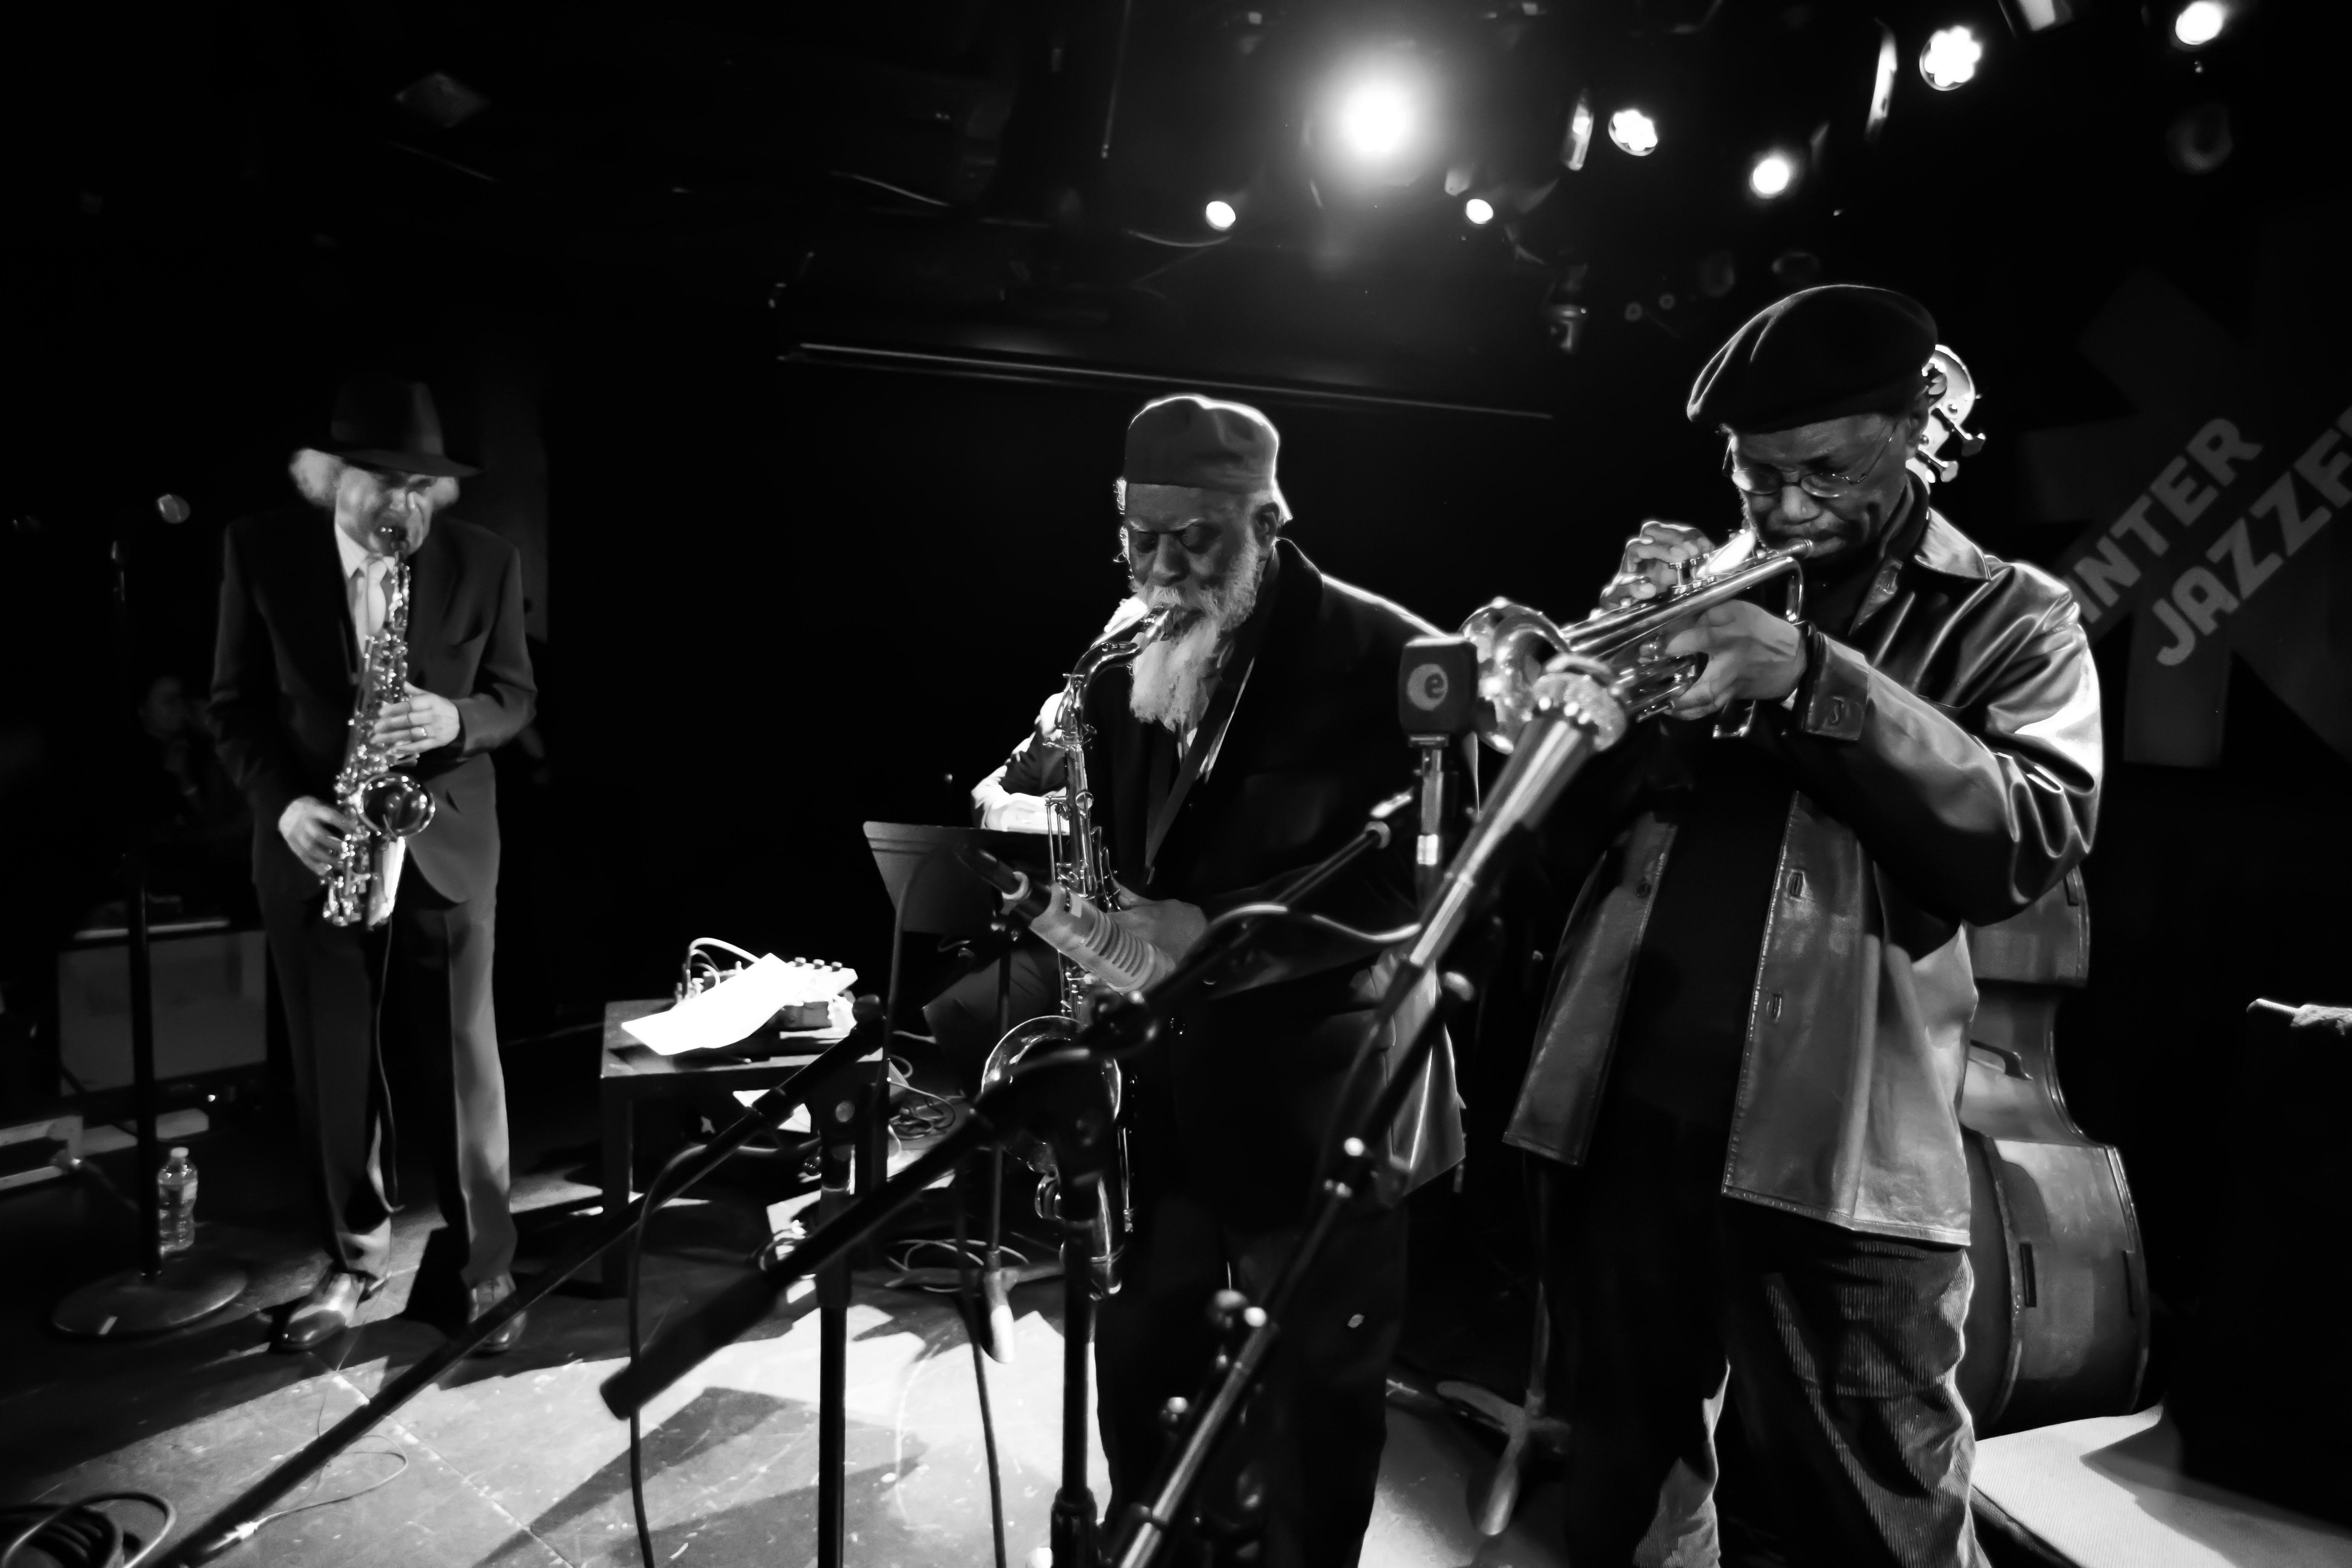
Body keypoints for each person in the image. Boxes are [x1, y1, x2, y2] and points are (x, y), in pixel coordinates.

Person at [1507, 286, 2102, 1567]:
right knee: (1623, 1503)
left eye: (1821, 472)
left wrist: (1816, 680)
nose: (1780, 508)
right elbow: (1555, 852)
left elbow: (2031, 839)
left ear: (1912, 433)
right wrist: (1601, 706)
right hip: (1621, 1117)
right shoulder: (1698, 590)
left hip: (1836, 1146)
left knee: (1878, 1520)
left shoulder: (2011, 616)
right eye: (1754, 474)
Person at [1027, 394, 1457, 1566]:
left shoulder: (1391, 655)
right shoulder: (1123, 655)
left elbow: (1427, 890)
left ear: (1267, 517)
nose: (1161, 567)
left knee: (1317, 1399)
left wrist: (1207, 929)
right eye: (1139, 537)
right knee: (1145, 1363)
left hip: (1324, 1101)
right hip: (1165, 1089)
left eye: (1195, 540)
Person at [210, 371, 538, 1354]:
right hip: (320, 846)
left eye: (422, 486)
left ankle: (486, 1266)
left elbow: (517, 695)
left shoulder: (486, 561)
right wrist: (286, 807)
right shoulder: (260, 552)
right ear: (328, 478)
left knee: (466, 1069)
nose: (405, 505)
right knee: (336, 1074)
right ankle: (353, 1262)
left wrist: (456, 718)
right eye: (383, 482)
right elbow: (234, 708)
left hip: (444, 841)